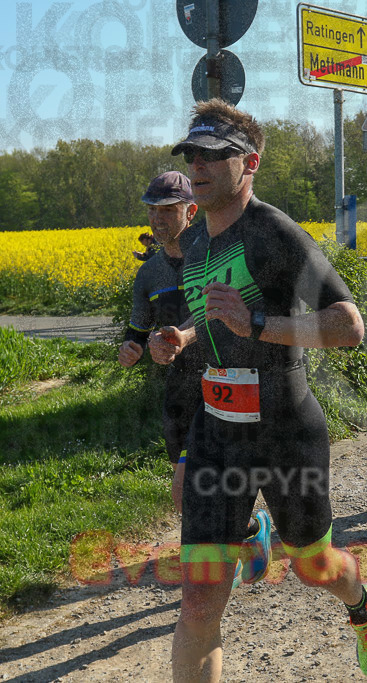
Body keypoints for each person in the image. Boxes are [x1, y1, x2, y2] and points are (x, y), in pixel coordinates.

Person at [147, 99, 367, 681]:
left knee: (314, 566)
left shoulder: (276, 233)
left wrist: (258, 324)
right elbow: (214, 315)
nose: (198, 165)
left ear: (249, 162)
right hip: (216, 435)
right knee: (198, 605)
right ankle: (250, 536)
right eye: (192, 154)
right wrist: (181, 337)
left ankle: (362, 608)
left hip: (285, 432)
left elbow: (348, 326)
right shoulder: (195, 244)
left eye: (214, 155)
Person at [118, 171, 201, 514]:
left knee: (187, 493)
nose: (157, 218)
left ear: (191, 212)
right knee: (191, 498)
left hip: (224, 381)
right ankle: (252, 532)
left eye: (168, 210)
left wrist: (185, 337)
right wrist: (131, 349)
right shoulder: (149, 273)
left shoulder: (213, 256)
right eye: (152, 209)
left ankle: (238, 536)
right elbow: (137, 330)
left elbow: (222, 314)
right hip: (180, 391)